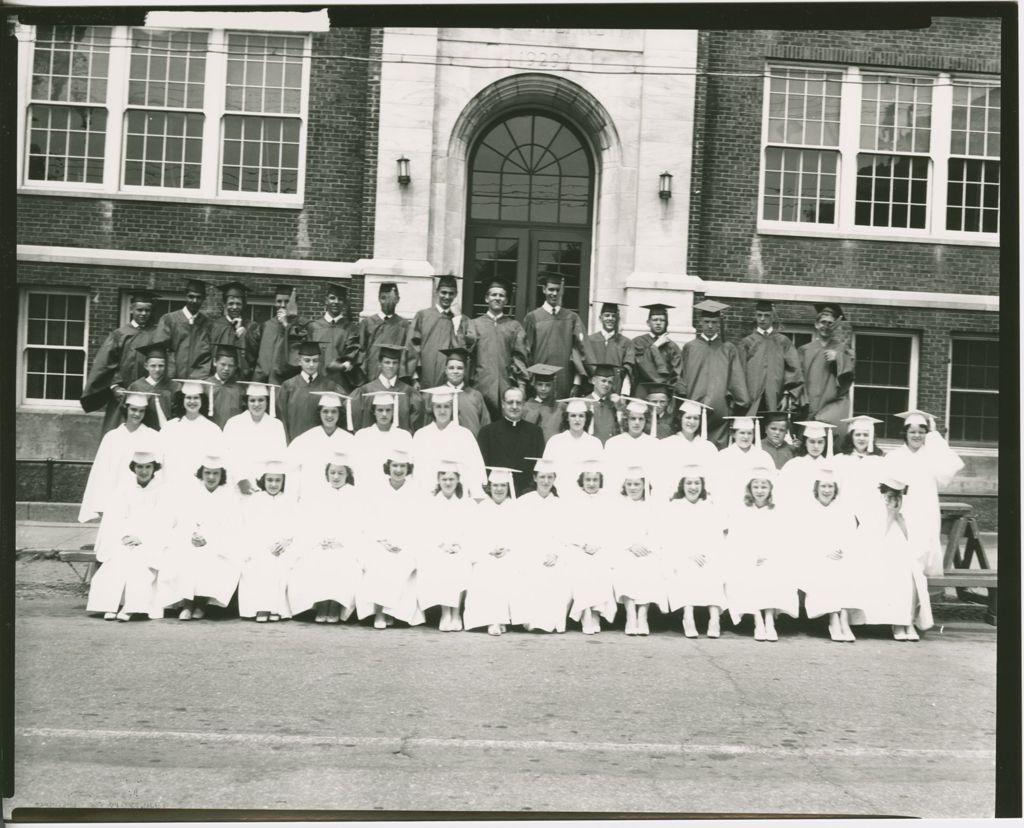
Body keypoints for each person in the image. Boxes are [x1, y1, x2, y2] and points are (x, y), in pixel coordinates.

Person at [85, 449, 169, 621]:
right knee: (116, 562)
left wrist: (142, 538)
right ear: (134, 468)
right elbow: (115, 518)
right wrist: (124, 536)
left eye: (147, 467)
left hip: (150, 542)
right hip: (125, 539)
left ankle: (132, 608)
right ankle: (110, 606)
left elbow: (164, 521)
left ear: (154, 468)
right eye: (139, 467)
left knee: (139, 565)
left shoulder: (162, 491)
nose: (143, 471)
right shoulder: (124, 489)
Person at [158, 454, 243, 621]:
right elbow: (182, 522)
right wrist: (192, 536)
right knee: (187, 555)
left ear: (221, 475)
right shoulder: (190, 495)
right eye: (207, 473)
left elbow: (232, 529)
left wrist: (209, 539)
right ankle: (188, 604)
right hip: (191, 540)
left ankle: (201, 604)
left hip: (219, 544)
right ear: (201, 474)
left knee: (210, 557)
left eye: (215, 473)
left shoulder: (229, 498)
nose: (211, 477)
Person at [882, 410, 964, 577]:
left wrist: (934, 437)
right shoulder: (894, 456)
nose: (917, 436)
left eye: (921, 432)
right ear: (905, 433)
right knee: (902, 550)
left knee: (926, 549)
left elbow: (953, 465)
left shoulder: (931, 455)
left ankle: (929, 594)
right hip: (902, 511)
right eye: (912, 432)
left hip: (926, 509)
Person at [852, 476, 934, 641]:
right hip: (880, 548)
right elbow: (875, 537)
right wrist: (890, 514)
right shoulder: (874, 503)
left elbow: (911, 535)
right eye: (890, 493)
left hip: (904, 547)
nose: (894, 497)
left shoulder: (907, 503)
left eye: (897, 493)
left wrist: (898, 515)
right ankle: (897, 622)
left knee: (911, 573)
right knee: (892, 572)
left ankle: (908, 621)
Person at [287, 452, 364, 624]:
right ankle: (321, 605)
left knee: (342, 563)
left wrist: (341, 541)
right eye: (332, 473)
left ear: (348, 475)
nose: (336, 477)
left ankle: (335, 605)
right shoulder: (317, 494)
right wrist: (319, 539)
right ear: (327, 474)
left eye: (341, 473)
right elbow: (309, 522)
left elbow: (358, 525)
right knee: (315, 561)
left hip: (346, 544)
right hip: (319, 542)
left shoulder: (355, 495)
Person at [723, 466, 798, 641]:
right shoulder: (741, 510)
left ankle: (770, 620)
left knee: (772, 572)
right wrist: (750, 557)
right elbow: (736, 540)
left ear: (771, 489)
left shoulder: (778, 511)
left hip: (772, 556)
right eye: (755, 486)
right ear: (749, 489)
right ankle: (758, 620)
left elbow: (782, 539)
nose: (759, 490)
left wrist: (768, 556)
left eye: (764, 486)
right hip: (746, 557)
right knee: (747, 574)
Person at [355, 447, 425, 629]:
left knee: (400, 563)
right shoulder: (376, 490)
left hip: (407, 545)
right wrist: (382, 541)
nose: (399, 470)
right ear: (388, 467)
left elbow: (418, 524)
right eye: (395, 466)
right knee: (380, 560)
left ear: (408, 468)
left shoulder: (416, 491)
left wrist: (402, 543)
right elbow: (369, 521)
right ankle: (379, 612)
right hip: (379, 542)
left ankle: (391, 612)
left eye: (403, 466)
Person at [80, 287, 162, 434]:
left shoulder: (157, 334)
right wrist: (114, 387)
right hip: (124, 395)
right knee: (119, 436)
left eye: (147, 310)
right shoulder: (120, 334)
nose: (143, 314)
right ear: (132, 309)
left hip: (149, 395)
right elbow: (105, 365)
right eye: (139, 310)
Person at [797, 468, 863, 642]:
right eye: (823, 486)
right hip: (814, 557)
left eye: (830, 487)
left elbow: (850, 536)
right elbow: (805, 539)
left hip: (840, 555)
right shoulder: (807, 509)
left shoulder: (843, 510)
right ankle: (834, 618)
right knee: (826, 570)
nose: (827, 490)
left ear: (835, 489)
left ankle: (844, 618)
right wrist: (825, 553)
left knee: (846, 569)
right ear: (817, 488)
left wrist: (841, 550)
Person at [78, 391, 162, 523]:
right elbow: (101, 472)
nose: (137, 414)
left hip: (141, 499)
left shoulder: (152, 437)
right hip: (115, 498)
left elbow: (158, 472)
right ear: (126, 409)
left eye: (141, 411)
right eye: (133, 409)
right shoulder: (112, 437)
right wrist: (100, 503)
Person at [662, 465, 726, 638]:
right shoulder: (674, 507)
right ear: (682, 486)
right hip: (682, 555)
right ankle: (688, 616)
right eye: (689, 483)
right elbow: (670, 538)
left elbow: (716, 538)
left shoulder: (709, 506)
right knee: (684, 569)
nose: (693, 487)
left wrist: (707, 555)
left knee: (713, 570)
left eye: (697, 483)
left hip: (707, 555)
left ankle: (714, 619)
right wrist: (688, 554)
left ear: (702, 486)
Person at [678, 299, 749, 449]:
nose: (710, 326)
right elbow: (681, 379)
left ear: (719, 324)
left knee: (717, 451)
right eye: (707, 321)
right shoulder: (690, 348)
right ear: (700, 322)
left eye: (714, 322)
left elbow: (736, 380)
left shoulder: (728, 349)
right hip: (693, 410)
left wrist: (735, 406)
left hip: (719, 413)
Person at [514, 459, 572, 633]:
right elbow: (520, 535)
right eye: (542, 477)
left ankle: (553, 621)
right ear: (535, 478)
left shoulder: (561, 505)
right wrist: (536, 554)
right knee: (532, 572)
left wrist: (555, 554)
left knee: (559, 574)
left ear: (554, 479)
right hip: (530, 552)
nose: (546, 481)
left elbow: (565, 536)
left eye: (549, 477)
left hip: (555, 554)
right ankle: (532, 619)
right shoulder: (523, 502)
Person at [416, 461, 475, 631]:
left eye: (451, 479)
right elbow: (426, 530)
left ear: (458, 481)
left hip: (460, 548)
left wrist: (459, 545)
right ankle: (445, 612)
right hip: (437, 548)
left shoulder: (467, 504)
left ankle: (456, 613)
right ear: (438, 480)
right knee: (441, 562)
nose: (448, 483)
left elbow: (470, 531)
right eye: (444, 479)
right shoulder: (430, 504)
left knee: (460, 563)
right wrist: (441, 545)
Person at [610, 465, 668, 635]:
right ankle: (630, 615)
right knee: (625, 566)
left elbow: (658, 532)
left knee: (649, 567)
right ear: (624, 486)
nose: (633, 488)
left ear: (644, 486)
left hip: (649, 550)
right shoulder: (618, 506)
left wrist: (647, 546)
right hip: (624, 549)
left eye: (637, 484)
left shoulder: (653, 507)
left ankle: (643, 616)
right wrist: (630, 545)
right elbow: (614, 531)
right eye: (629, 484)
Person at [464, 467, 522, 636]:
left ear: (508, 487)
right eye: (495, 485)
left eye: (503, 485)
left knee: (508, 570)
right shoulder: (481, 508)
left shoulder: (516, 508)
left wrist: (508, 549)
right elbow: (472, 536)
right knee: (486, 571)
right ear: (489, 487)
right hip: (485, 555)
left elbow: (522, 536)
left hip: (511, 555)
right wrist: (489, 550)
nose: (499, 489)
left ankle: (504, 619)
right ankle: (493, 620)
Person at [238, 459, 296, 622]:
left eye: (278, 480)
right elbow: (250, 529)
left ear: (283, 482)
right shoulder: (254, 501)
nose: (273, 484)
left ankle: (276, 609)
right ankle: (261, 608)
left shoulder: (289, 501)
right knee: (260, 563)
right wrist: (264, 547)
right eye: (270, 480)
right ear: (263, 480)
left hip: (283, 547)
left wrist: (285, 542)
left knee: (279, 565)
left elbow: (295, 526)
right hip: (259, 546)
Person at [565, 460, 617, 634]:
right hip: (578, 547)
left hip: (601, 547)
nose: (592, 483)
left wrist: (598, 545)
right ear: (582, 481)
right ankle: (586, 613)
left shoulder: (608, 501)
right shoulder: (572, 500)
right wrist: (584, 544)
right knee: (581, 567)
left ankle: (595, 612)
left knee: (601, 567)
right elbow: (568, 528)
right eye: (588, 480)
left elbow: (611, 528)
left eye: (595, 480)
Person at [466, 279, 529, 420]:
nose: (497, 298)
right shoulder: (474, 325)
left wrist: (522, 385)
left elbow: (520, 358)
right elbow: (467, 356)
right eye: (494, 295)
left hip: (506, 388)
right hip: (480, 386)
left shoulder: (514, 326)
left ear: (506, 300)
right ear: (486, 298)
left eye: (501, 296)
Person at [411, 387, 486, 499]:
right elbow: (414, 470)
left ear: (452, 408)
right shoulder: (421, 435)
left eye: (446, 406)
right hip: (426, 496)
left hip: (458, 497)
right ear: (432, 408)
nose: (442, 411)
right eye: (438, 406)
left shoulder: (464, 435)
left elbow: (476, 469)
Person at [522, 272, 587, 400]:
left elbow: (579, 352)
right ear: (544, 290)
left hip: (565, 381)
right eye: (551, 289)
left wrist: (576, 382)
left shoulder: (572, 318)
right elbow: (525, 352)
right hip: (539, 383)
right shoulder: (532, 318)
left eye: (557, 290)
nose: (554, 294)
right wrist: (528, 382)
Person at [286, 391, 356, 502]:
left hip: (341, 502)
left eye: (334, 411)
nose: (329, 415)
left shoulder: (350, 440)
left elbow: (356, 472)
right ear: (319, 413)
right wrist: (293, 499)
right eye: (325, 411)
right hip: (311, 499)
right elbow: (292, 471)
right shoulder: (305, 439)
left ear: (339, 413)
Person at [404, 274, 470, 391]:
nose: (447, 297)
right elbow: (412, 348)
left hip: (451, 382)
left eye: (451, 293)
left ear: (456, 295)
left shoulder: (462, 320)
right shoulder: (423, 316)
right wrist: (414, 378)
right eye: (443, 292)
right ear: (437, 292)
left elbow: (463, 349)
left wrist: (457, 319)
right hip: (425, 378)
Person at [477, 387, 546, 496]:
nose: (514, 406)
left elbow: (539, 468)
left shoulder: (535, 432)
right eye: (510, 402)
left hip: (527, 495)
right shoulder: (487, 432)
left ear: (524, 404)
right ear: (503, 404)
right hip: (498, 495)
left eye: (518, 402)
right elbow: (481, 469)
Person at [222, 381, 287, 496]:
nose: (256, 404)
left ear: (267, 402)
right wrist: (240, 479)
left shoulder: (276, 425)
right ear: (246, 402)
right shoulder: (234, 423)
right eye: (252, 400)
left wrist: (267, 483)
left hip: (266, 486)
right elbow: (226, 455)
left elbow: (280, 458)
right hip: (237, 484)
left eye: (261, 400)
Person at [739, 300, 803, 415]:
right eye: (759, 315)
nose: (762, 319)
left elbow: (794, 370)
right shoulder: (747, 342)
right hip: (751, 399)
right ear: (755, 316)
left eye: (766, 315)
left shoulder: (783, 342)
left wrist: (787, 396)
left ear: (772, 317)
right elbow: (739, 373)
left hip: (776, 399)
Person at [798, 303, 855, 431]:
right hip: (809, 403)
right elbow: (797, 378)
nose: (826, 326)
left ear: (835, 326)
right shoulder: (804, 350)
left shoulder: (842, 350)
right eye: (823, 322)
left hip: (831, 405)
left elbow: (850, 374)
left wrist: (839, 358)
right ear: (816, 324)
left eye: (830, 323)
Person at [158, 379, 221, 495]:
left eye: (196, 398)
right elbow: (160, 461)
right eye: (188, 398)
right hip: (173, 487)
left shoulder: (212, 429)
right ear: (182, 399)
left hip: (200, 490)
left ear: (202, 400)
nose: (192, 401)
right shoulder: (169, 428)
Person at [277, 340, 345, 443]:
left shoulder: (330, 386)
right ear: (299, 361)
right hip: (295, 444)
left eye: (315, 360)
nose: (311, 364)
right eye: (307, 360)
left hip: (322, 446)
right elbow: (282, 420)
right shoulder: (288, 387)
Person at [303, 280, 362, 392]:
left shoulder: (351, 329)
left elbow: (353, 356)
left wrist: (344, 365)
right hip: (316, 384)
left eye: (340, 299)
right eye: (332, 298)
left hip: (341, 385)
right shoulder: (313, 327)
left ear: (344, 303)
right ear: (326, 300)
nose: (336, 302)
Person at [350, 343, 422, 433]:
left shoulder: (409, 392)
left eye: (394, 363)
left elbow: (414, 426)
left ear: (399, 364)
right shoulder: (365, 391)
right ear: (380, 363)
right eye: (387, 362)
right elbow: (356, 423)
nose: (391, 366)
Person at [833, 414, 887, 530]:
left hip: (872, 515)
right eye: (857, 434)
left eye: (866, 435)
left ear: (871, 437)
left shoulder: (880, 461)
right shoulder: (839, 459)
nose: (861, 438)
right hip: (845, 512)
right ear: (851, 437)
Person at [657, 399, 718, 499]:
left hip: (701, 501)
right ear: (680, 419)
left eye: (696, 418)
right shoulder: (666, 445)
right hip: (673, 500)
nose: (692, 422)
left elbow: (713, 478)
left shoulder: (708, 448)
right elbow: (661, 477)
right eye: (688, 417)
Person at [351, 392, 414, 486]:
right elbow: (355, 466)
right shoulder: (362, 436)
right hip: (368, 486)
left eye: (388, 410)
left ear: (393, 411)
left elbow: (409, 466)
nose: (384, 414)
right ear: (374, 412)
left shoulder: (404, 436)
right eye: (380, 410)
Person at [711, 416, 773, 511]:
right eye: (742, 433)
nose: (746, 437)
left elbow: (772, 484)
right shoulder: (723, 456)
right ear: (733, 434)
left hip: (757, 509)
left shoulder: (764, 457)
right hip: (729, 507)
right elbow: (715, 486)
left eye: (749, 433)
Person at [157, 278, 213, 380]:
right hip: (172, 380)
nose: (194, 301)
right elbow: (159, 352)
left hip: (197, 383)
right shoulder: (169, 320)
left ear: (204, 298)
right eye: (191, 297)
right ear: (185, 295)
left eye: (198, 297)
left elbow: (208, 357)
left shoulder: (208, 324)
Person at [603, 399, 660, 497]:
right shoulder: (613, 444)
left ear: (646, 420)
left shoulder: (655, 444)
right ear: (626, 419)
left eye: (641, 419)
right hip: (618, 495)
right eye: (633, 418)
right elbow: (609, 475)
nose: (637, 422)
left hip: (647, 497)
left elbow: (657, 476)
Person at [542, 398, 604, 488]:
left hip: (586, 493)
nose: (577, 420)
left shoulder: (595, 443)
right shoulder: (555, 442)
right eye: (573, 416)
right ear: (567, 418)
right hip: (560, 491)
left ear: (586, 418)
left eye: (581, 416)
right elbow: (546, 470)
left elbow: (599, 472)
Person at [251, 284, 305, 385]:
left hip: (286, 383)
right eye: (279, 301)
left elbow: (299, 356)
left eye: (287, 301)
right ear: (275, 303)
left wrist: (286, 325)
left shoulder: (301, 326)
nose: (282, 305)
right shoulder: (266, 326)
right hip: (263, 382)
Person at [357, 281, 410, 383]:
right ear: (379, 299)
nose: (387, 302)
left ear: (397, 300)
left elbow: (408, 354)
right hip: (371, 376)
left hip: (395, 378)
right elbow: (361, 352)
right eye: (383, 298)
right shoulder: (367, 323)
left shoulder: (404, 325)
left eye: (392, 298)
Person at [778, 420, 837, 509]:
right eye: (812, 442)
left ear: (825, 443)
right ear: (805, 443)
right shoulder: (793, 465)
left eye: (820, 442)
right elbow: (782, 490)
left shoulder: (831, 466)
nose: (816, 446)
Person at [434, 346, 490, 436]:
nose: (455, 371)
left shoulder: (475, 396)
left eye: (459, 368)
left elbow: (486, 426)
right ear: (445, 370)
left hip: (471, 447)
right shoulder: (437, 394)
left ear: (465, 371)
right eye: (451, 368)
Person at [583, 298, 635, 396]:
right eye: (607, 315)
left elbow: (628, 371)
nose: (610, 318)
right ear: (600, 318)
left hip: (615, 393)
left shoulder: (626, 343)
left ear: (617, 318)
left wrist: (624, 394)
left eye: (613, 316)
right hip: (591, 392)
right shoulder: (589, 340)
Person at [631, 302, 681, 397]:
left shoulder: (672, 346)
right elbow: (641, 366)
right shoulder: (638, 342)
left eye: (662, 320)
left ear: (667, 323)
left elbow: (677, 374)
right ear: (648, 322)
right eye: (655, 320)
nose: (658, 323)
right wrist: (655, 346)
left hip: (664, 392)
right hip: (643, 391)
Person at [208, 282, 255, 381]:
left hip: (242, 379)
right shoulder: (215, 326)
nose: (234, 307)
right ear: (225, 304)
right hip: (219, 379)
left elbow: (253, 356)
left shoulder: (251, 326)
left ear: (243, 305)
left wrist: (243, 334)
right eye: (231, 303)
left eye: (238, 304)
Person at [126, 341, 174, 430]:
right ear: (146, 366)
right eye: (153, 366)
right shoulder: (136, 387)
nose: (157, 369)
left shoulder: (174, 386)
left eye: (161, 366)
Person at [581, 363, 623, 445]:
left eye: (610, 382)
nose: (606, 384)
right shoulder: (583, 403)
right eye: (603, 381)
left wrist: (620, 408)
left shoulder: (614, 404)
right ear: (593, 380)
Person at [207, 343, 247, 428]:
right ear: (215, 362)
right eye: (223, 364)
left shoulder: (240, 389)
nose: (226, 369)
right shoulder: (206, 386)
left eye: (231, 366)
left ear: (236, 367)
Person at [522, 363, 565, 442]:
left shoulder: (560, 407)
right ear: (534, 385)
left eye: (548, 385)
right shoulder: (527, 406)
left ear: (553, 386)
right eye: (540, 384)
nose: (543, 388)